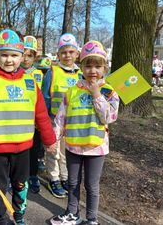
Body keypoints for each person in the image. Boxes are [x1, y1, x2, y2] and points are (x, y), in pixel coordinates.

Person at [0, 29, 56, 225]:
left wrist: (49, 139)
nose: (9, 60)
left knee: (20, 185)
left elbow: (41, 114)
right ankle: (2, 219)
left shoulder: (30, 82)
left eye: (14, 55)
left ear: (22, 56)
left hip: (24, 149)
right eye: (4, 55)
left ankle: (19, 214)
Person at [50, 41, 119, 225]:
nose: (93, 71)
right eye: (88, 66)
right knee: (72, 183)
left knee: (91, 186)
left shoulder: (109, 92)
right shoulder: (72, 91)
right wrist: (52, 140)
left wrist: (97, 95)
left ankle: (91, 219)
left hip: (96, 148)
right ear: (81, 67)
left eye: (98, 66)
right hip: (73, 145)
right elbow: (60, 118)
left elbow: (109, 117)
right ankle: (72, 213)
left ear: (105, 67)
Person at [42, 33, 83, 198]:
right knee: (53, 150)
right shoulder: (52, 72)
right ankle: (54, 178)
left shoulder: (81, 74)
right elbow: (45, 96)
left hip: (72, 121)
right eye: (63, 52)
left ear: (77, 53)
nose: (67, 56)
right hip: (54, 120)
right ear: (58, 54)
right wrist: (43, 120)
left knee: (67, 151)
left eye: (71, 52)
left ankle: (65, 177)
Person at [21, 35, 44, 194]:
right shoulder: (15, 72)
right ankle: (19, 176)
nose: (26, 59)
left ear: (34, 57)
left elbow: (42, 97)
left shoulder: (40, 75)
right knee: (20, 149)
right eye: (23, 54)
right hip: (19, 119)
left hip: (34, 119)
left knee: (34, 148)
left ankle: (33, 174)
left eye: (29, 55)